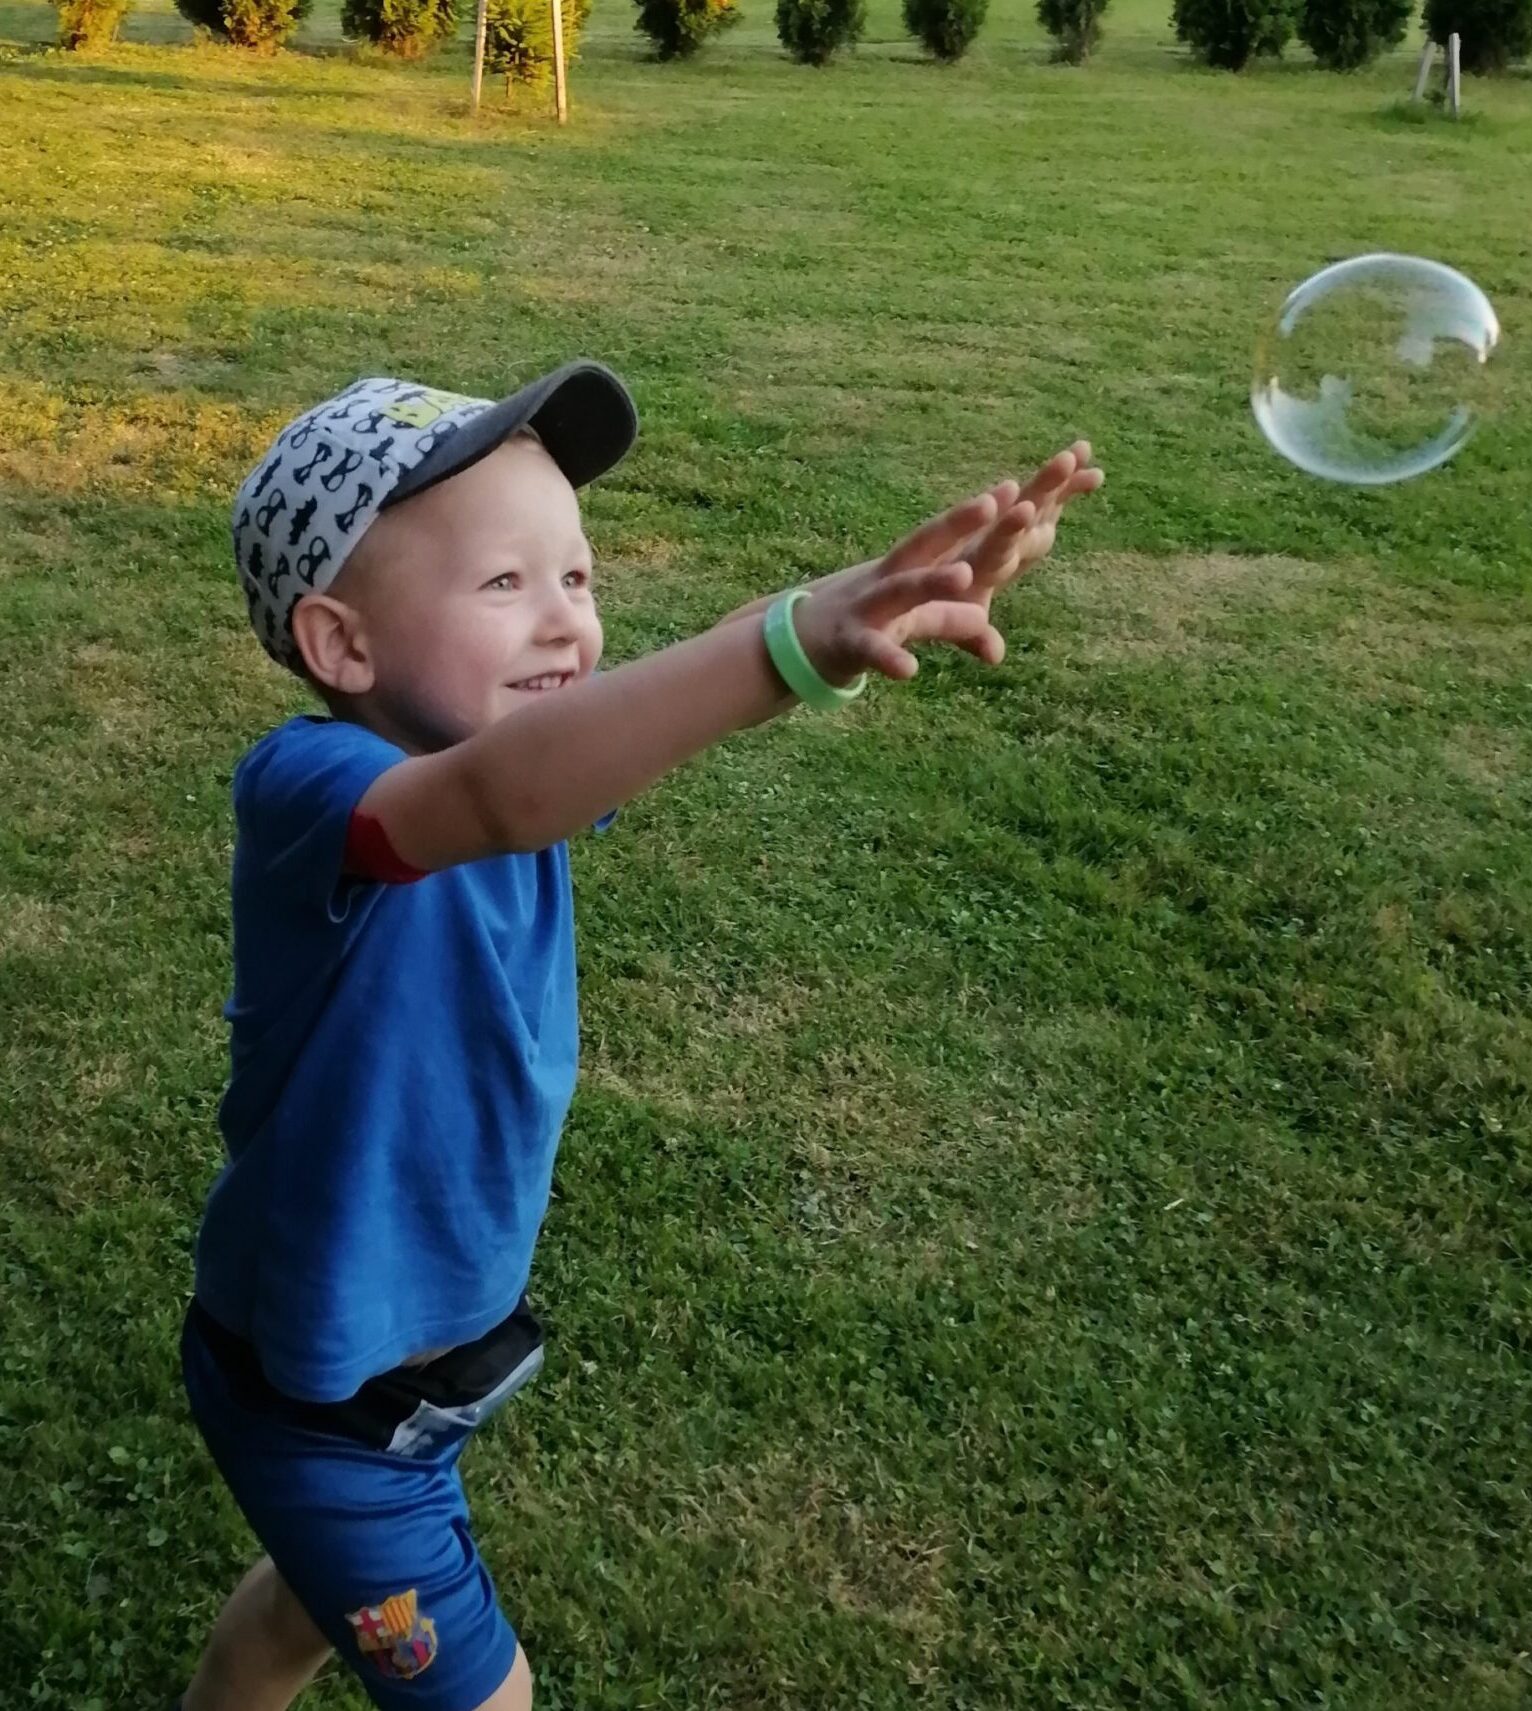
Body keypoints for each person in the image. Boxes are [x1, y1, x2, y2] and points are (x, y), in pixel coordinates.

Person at [176, 362, 1103, 1711]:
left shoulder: (529, 761)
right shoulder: (318, 788)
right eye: (505, 583)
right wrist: (788, 642)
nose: (564, 619)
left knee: (295, 1618)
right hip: (321, 1402)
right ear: (341, 646)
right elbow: (499, 797)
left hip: (424, 1364)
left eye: (578, 576)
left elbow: (598, 740)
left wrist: (873, 598)